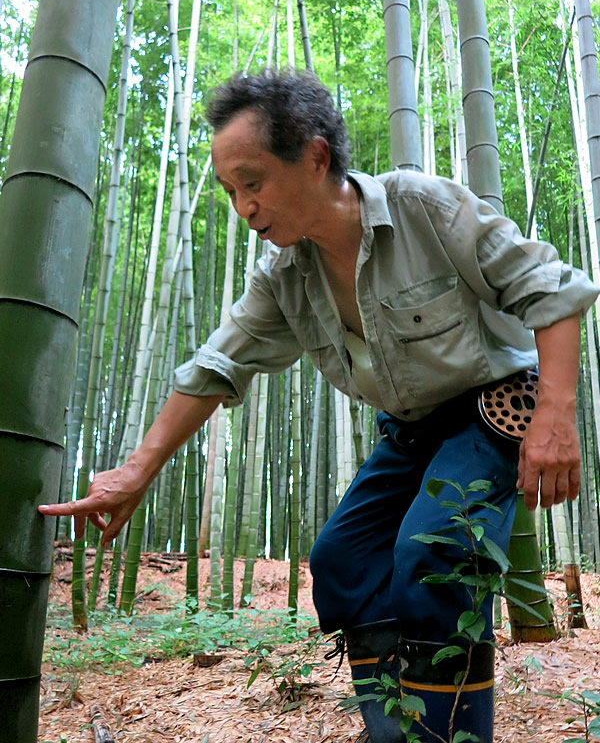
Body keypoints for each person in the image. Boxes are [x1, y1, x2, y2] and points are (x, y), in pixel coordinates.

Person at [40, 69, 599, 743]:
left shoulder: (426, 208)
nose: (243, 207)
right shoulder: (283, 277)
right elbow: (216, 367)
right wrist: (136, 473)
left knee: (439, 549)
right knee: (341, 560)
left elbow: (553, 291)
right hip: (412, 431)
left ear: (314, 155)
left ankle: (450, 735)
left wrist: (556, 418)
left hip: (497, 409)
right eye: (230, 192)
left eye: (254, 181)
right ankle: (397, 729)